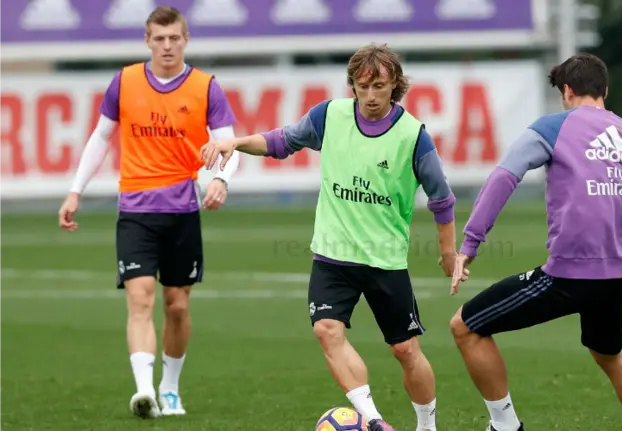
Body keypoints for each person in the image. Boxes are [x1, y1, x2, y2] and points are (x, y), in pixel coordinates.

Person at [200, 43, 459, 431]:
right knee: (326, 329)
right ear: (353, 85)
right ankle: (374, 421)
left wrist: (448, 253)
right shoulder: (330, 115)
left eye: (379, 87)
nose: (370, 96)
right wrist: (235, 143)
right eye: (362, 87)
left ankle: (427, 425)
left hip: (385, 259)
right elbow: (281, 141)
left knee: (405, 349)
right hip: (332, 254)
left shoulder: (413, 136)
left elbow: (442, 199)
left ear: (395, 85)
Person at [448, 53, 622, 431]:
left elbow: (504, 177)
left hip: (569, 276)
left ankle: (505, 426)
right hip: (618, 275)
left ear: (567, 91)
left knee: (465, 326)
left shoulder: (552, 127)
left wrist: (470, 243)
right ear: (605, 90)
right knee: (608, 353)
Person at [57, 6, 240, 420]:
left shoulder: (206, 87)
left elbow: (229, 144)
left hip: (182, 212)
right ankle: (144, 392)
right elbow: (100, 138)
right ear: (147, 41)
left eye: (174, 38)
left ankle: (169, 388)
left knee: (177, 306)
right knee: (139, 299)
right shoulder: (124, 81)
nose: (167, 46)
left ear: (185, 40)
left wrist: (220, 179)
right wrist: (75, 191)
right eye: (159, 38)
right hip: (135, 211)